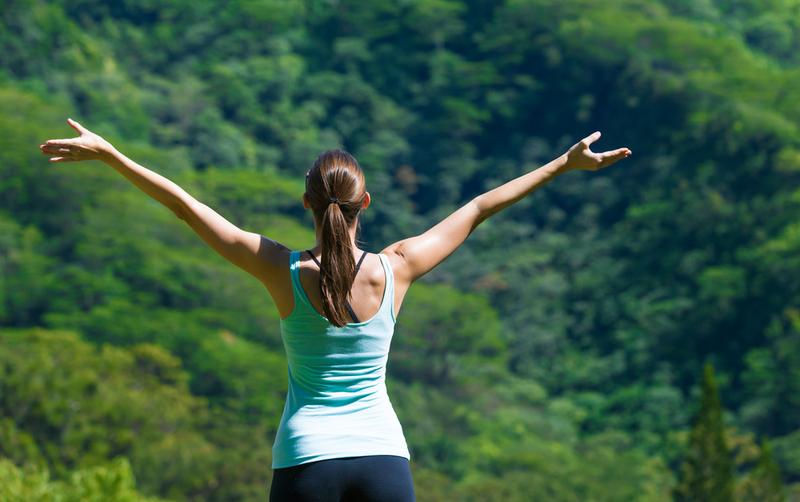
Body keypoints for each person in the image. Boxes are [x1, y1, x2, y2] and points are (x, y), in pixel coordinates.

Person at [39, 118, 632, 501]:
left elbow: (189, 209)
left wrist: (114, 155)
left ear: (306, 204)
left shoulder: (282, 271)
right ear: (364, 203)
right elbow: (478, 208)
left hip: (306, 462)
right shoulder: (397, 267)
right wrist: (562, 164)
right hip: (383, 462)